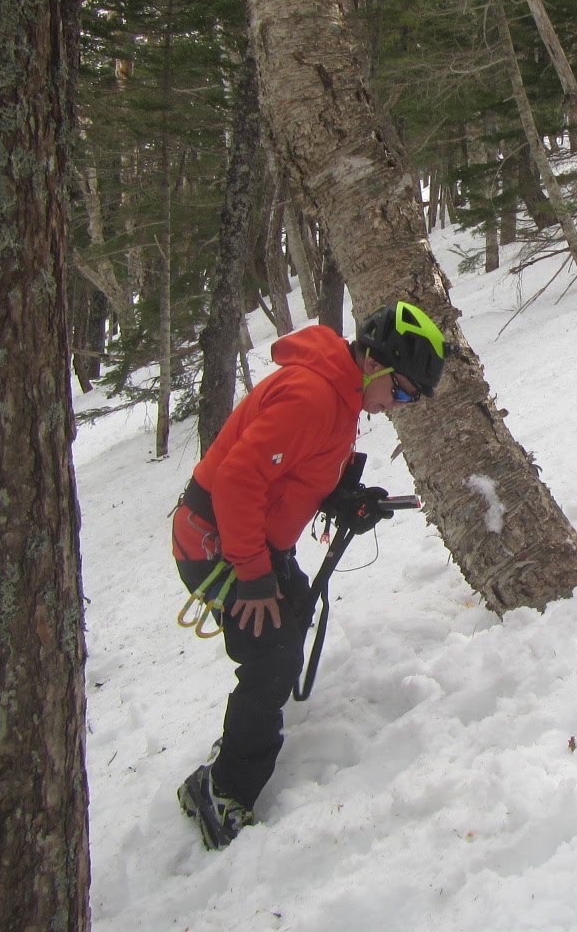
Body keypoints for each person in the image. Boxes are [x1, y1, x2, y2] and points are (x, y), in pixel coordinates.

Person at [170, 300, 446, 848]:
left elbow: (297, 468)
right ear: (377, 365)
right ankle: (220, 792)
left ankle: (233, 753)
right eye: (404, 392)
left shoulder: (340, 396)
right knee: (271, 650)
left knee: (289, 615)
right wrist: (251, 576)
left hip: (247, 539)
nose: (400, 406)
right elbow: (236, 483)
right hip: (214, 541)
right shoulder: (314, 396)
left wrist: (345, 498)